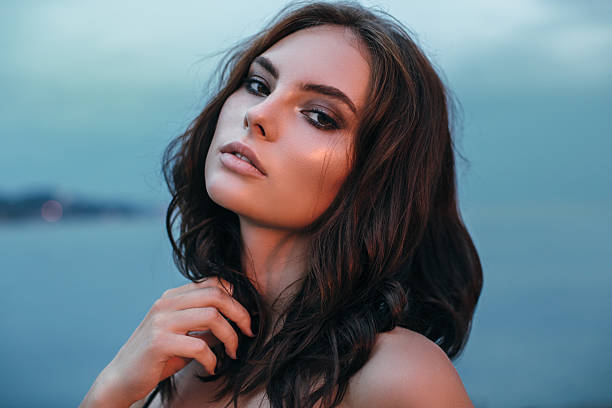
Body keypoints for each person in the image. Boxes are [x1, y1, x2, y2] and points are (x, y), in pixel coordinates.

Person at [80, 1, 483, 407]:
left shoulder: (400, 377)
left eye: (320, 116)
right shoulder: (175, 356)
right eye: (258, 85)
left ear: (377, 178)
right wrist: (111, 389)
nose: (258, 114)